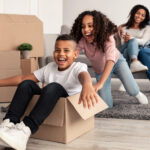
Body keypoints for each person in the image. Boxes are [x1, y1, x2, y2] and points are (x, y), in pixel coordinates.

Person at [0, 34, 99, 150]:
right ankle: (8, 124)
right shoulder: (49, 67)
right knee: (26, 84)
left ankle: (25, 130)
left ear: (75, 54)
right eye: (58, 50)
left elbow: (84, 76)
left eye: (66, 50)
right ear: (53, 53)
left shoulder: (78, 66)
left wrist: (87, 85)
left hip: (66, 101)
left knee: (53, 87)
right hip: (48, 99)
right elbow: (22, 78)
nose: (61, 53)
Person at [70, 10, 148, 109]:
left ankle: (138, 94)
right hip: (100, 69)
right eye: (83, 26)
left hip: (117, 62)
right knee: (106, 105)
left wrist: (100, 83)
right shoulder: (82, 41)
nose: (86, 30)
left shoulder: (108, 38)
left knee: (132, 89)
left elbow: (110, 60)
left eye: (90, 26)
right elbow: (74, 52)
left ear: (99, 26)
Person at [118, 4, 150, 73]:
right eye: (138, 13)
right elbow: (123, 43)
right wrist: (129, 40)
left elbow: (144, 42)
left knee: (127, 51)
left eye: (143, 15)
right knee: (131, 43)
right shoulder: (124, 28)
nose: (139, 16)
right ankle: (134, 62)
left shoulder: (147, 28)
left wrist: (131, 38)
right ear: (133, 13)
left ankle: (125, 81)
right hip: (124, 48)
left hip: (134, 50)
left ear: (145, 18)